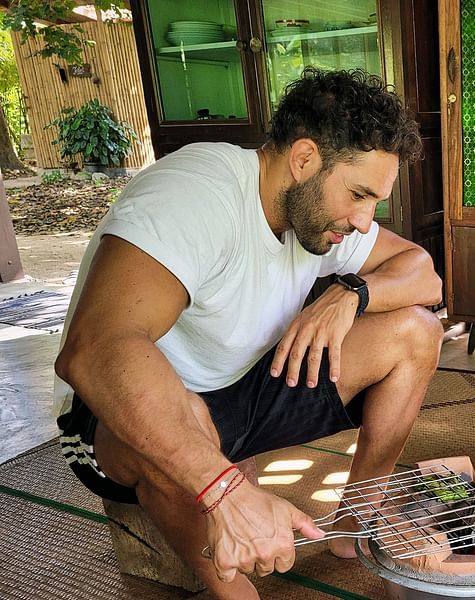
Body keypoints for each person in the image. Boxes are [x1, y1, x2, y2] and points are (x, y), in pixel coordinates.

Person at [54, 68, 444, 599]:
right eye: (357, 194)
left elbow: (423, 273)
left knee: (417, 332)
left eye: (374, 200)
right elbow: (95, 350)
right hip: (126, 420)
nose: (363, 219)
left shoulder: (320, 217)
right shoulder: (198, 191)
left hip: (244, 389)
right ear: (304, 159)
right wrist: (225, 488)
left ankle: (355, 525)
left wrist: (351, 293)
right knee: (184, 415)